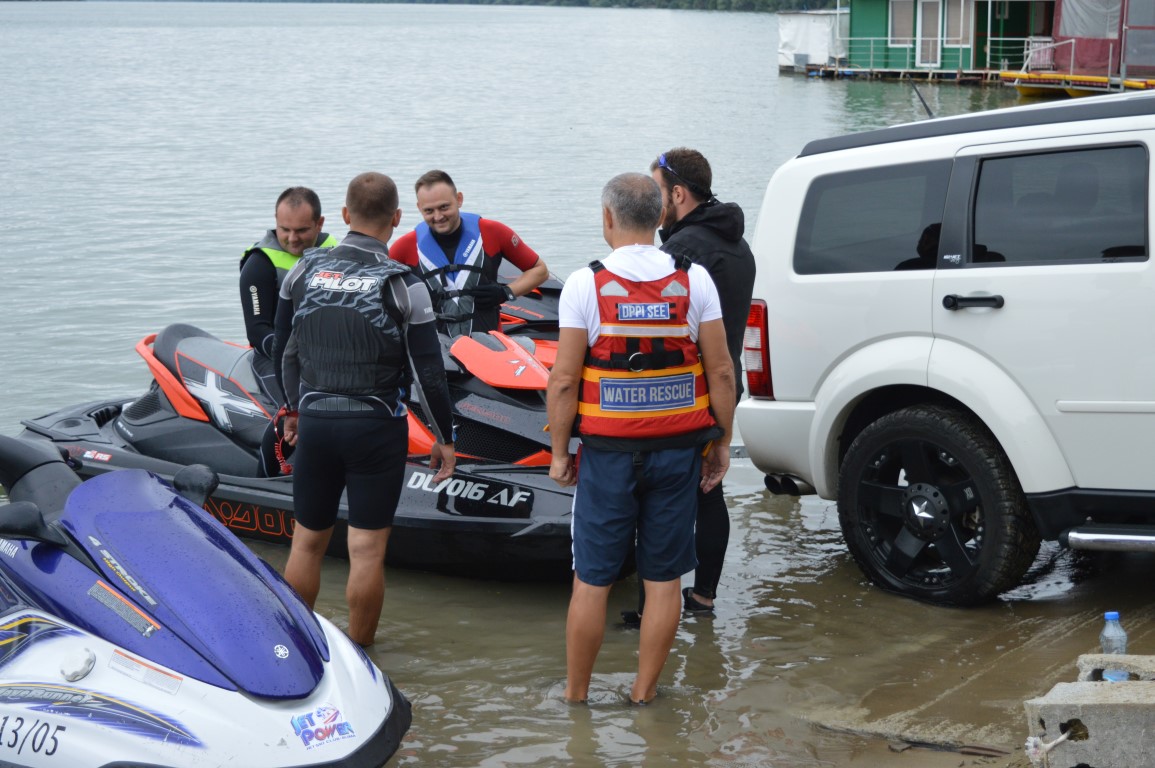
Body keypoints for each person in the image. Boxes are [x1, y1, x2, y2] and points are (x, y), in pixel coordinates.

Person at [547, 172, 735, 705]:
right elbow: (721, 371)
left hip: (607, 456)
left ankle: (576, 697)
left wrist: (560, 453)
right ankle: (643, 694)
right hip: (678, 454)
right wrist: (721, 441)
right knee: (664, 582)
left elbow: (563, 379)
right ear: (660, 218)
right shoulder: (694, 280)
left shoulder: (587, 284)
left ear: (608, 218)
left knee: (592, 581)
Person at [273, 172, 457, 647]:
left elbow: (282, 351)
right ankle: (361, 656)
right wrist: (445, 437)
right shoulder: (404, 284)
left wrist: (291, 409)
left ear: (344, 216)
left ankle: (298, 648)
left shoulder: (304, 270)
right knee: (367, 551)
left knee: (307, 542)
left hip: (315, 422)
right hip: (376, 428)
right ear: (398, 219)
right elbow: (429, 374)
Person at [240, 187, 338, 476]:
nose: (292, 239)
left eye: (302, 230)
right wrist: (295, 354)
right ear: (275, 220)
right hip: (274, 357)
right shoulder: (260, 264)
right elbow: (257, 332)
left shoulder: (336, 252)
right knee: (291, 412)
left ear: (320, 224)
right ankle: (264, 483)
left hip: (329, 356)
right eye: (285, 229)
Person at [389, 170, 550, 337]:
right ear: (419, 208)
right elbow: (381, 293)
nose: (438, 217)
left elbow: (540, 270)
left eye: (444, 207)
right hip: (436, 351)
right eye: (429, 211)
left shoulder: (493, 232)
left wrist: (505, 292)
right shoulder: (405, 247)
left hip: (490, 347)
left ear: (459, 199)